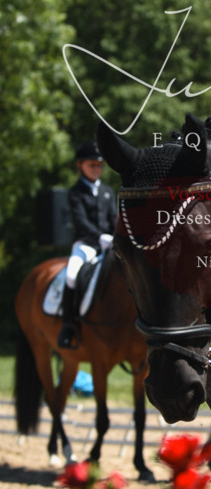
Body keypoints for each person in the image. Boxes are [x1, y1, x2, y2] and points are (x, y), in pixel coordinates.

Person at [57, 140, 117, 350]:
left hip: (109, 244)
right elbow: (80, 221)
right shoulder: (75, 192)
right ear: (80, 165)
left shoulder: (108, 191)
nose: (96, 169)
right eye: (92, 165)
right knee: (72, 275)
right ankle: (68, 326)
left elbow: (114, 218)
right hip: (85, 245)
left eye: (99, 165)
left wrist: (116, 235)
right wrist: (100, 236)